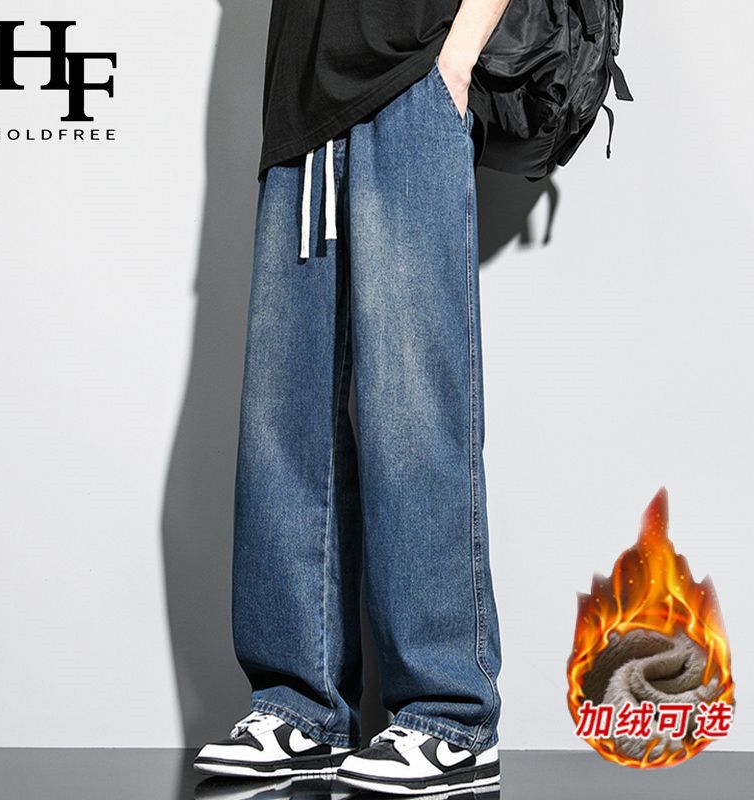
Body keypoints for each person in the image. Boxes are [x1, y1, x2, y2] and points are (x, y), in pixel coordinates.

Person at [194, 0, 512, 794]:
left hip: (412, 76)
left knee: (413, 411)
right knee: (284, 423)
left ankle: (451, 715)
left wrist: (456, 60)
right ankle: (300, 706)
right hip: (299, 104)